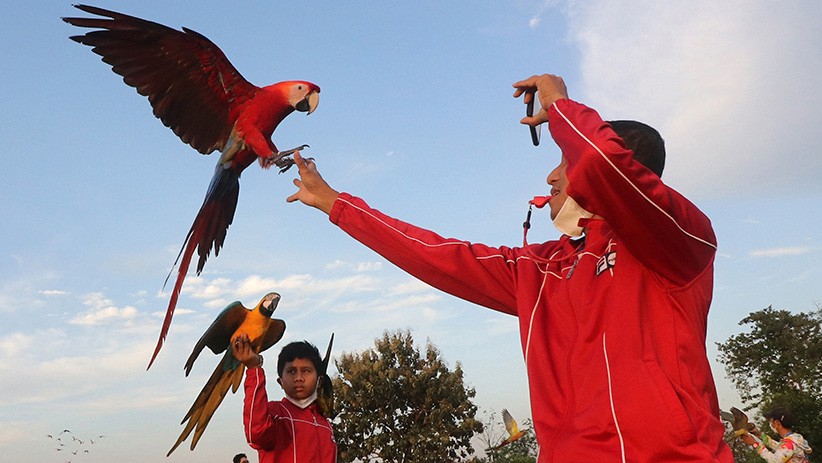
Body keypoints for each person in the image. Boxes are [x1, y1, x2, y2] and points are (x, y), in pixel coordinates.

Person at [286, 73, 734, 462]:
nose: (551, 178)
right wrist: (335, 204)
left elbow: (600, 161)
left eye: (562, 163)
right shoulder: (541, 267)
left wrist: (558, 102)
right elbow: (437, 254)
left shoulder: (678, 242)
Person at [232, 335, 337, 463]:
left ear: (319, 381)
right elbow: (256, 433)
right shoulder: (275, 414)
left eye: (306, 371)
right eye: (291, 371)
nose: (299, 378)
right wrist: (254, 369)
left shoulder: (326, 425)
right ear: (280, 382)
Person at [741, 407, 813, 462]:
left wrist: (755, 444)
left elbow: (774, 461)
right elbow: (779, 447)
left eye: (771, 421)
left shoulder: (789, 444)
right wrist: (759, 435)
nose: (770, 424)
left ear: (777, 423)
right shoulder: (794, 439)